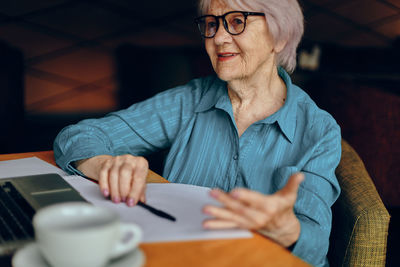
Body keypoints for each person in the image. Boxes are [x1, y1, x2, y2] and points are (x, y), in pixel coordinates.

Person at [53, 0, 341, 266]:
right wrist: (105, 164)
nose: (218, 38)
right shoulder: (189, 101)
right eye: (211, 24)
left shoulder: (318, 130)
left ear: (279, 37)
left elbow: (315, 247)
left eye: (237, 21)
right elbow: (77, 136)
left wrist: (287, 230)